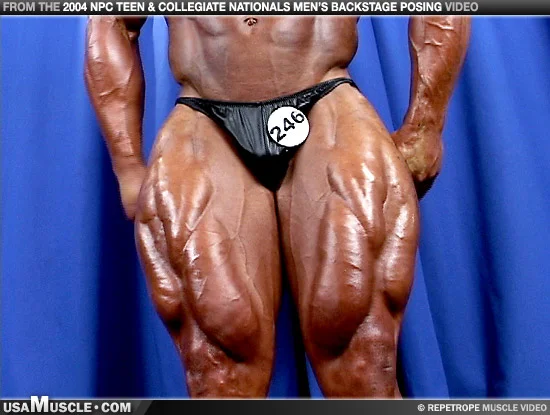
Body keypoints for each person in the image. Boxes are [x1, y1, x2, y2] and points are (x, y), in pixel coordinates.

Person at [84, 15, 470, 397]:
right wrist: (127, 164)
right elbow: (114, 20)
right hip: (204, 114)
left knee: (358, 350)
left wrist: (426, 124)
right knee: (219, 362)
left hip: (326, 96)